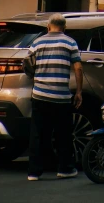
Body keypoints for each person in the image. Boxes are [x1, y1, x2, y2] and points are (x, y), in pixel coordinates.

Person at [27, 13, 83, 181]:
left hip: (39, 95)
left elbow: (28, 64)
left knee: (38, 134)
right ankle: (65, 169)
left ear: (48, 27)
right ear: (64, 27)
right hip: (61, 97)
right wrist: (79, 92)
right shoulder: (70, 42)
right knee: (63, 134)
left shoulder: (37, 42)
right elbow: (78, 68)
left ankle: (34, 172)